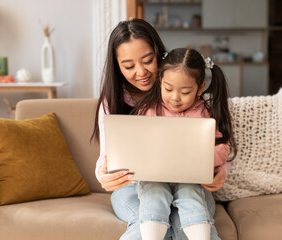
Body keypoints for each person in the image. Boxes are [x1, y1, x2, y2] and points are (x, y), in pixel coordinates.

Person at [92, 18, 233, 240]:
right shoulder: (112, 102)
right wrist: (103, 174)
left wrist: (221, 171)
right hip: (136, 186)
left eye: (148, 60)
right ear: (117, 67)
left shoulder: (188, 93)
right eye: (129, 66)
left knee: (188, 221)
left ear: (160, 55)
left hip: (189, 184)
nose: (141, 72)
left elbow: (218, 143)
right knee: (151, 220)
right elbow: (106, 158)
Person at [131, 48, 236, 240]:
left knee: (191, 193)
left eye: (185, 91)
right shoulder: (149, 109)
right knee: (153, 193)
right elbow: (136, 145)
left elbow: (222, 147)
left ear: (200, 88)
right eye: (168, 89)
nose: (175, 98)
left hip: (190, 178)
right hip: (155, 177)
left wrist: (206, 159)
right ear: (160, 81)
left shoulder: (204, 112)